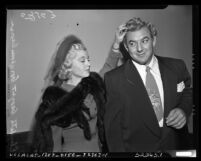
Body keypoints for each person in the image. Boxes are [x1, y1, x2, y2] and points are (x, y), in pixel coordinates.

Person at [104, 17, 192, 152]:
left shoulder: (177, 67)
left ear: (154, 40)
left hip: (176, 148)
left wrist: (183, 110)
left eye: (144, 41)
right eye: (132, 44)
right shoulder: (114, 79)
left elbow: (187, 92)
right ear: (126, 47)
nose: (140, 49)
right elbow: (113, 133)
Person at [29, 29, 124, 152]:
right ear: (68, 65)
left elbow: (108, 68)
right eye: (82, 60)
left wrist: (116, 44)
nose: (88, 64)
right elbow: (53, 144)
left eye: (88, 59)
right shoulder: (56, 98)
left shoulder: (92, 84)